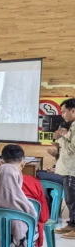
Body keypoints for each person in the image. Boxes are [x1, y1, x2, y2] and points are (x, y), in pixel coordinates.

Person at [0, 145, 49, 243]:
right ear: (23, 164)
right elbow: (43, 217)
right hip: (23, 245)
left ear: (1, 164)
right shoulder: (34, 184)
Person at [53, 99, 75, 237]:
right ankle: (71, 224)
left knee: (72, 199)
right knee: (69, 199)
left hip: (72, 169)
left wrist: (59, 137)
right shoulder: (72, 126)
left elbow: (72, 148)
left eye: (64, 111)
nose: (62, 115)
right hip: (68, 168)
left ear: (73, 111)